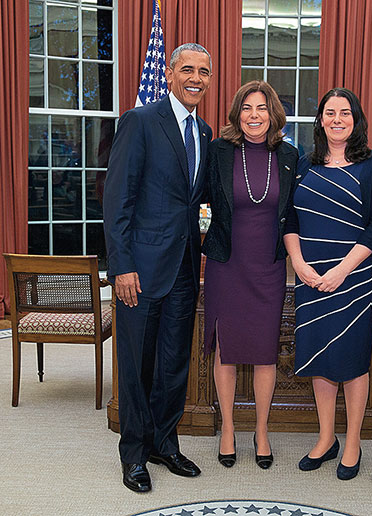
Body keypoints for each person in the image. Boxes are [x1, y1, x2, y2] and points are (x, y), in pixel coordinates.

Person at [103, 43, 213, 493]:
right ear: (169, 73)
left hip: (185, 272)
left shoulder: (204, 132)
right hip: (140, 274)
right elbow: (117, 199)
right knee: (135, 366)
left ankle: (165, 443)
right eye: (187, 69)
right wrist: (121, 266)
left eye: (204, 72)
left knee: (173, 366)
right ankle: (133, 455)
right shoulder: (141, 121)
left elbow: (198, 202)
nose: (196, 78)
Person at [284, 88, 372, 480]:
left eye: (345, 113)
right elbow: (290, 220)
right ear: (320, 119)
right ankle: (326, 437)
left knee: (352, 362)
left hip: (353, 278)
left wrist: (342, 270)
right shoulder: (303, 163)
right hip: (311, 279)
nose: (337, 119)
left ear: (356, 119)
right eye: (330, 112)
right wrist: (298, 264)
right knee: (319, 361)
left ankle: (353, 442)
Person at [202, 81, 298, 470]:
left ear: (274, 114)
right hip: (227, 264)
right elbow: (196, 199)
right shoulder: (219, 151)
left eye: (261, 108)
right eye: (247, 108)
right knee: (225, 349)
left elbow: (296, 212)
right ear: (236, 113)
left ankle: (261, 430)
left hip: (269, 267)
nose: (254, 115)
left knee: (264, 351)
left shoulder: (290, 155)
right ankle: (227, 429)